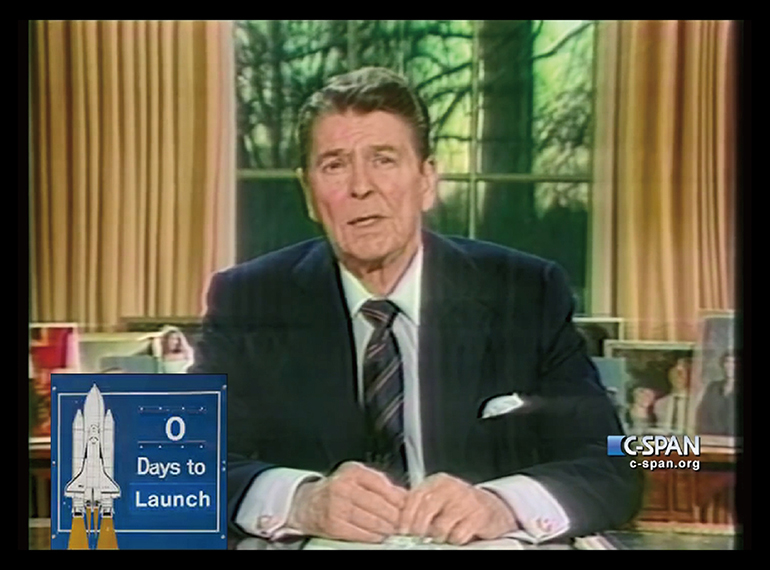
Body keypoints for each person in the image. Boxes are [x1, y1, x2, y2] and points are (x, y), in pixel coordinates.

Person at [190, 67, 642, 546]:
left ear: (426, 180)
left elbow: (612, 462)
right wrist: (301, 501)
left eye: (384, 160)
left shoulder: (525, 293)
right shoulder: (250, 300)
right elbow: (182, 462)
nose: (361, 187)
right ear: (309, 193)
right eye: (335, 165)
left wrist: (500, 504)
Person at [696, 351, 736, 436]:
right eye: (727, 362)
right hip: (712, 437)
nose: (730, 366)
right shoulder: (713, 387)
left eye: (734, 362)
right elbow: (703, 413)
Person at [653, 357, 692, 434]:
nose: (678, 377)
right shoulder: (660, 404)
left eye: (681, 373)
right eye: (674, 373)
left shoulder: (696, 404)